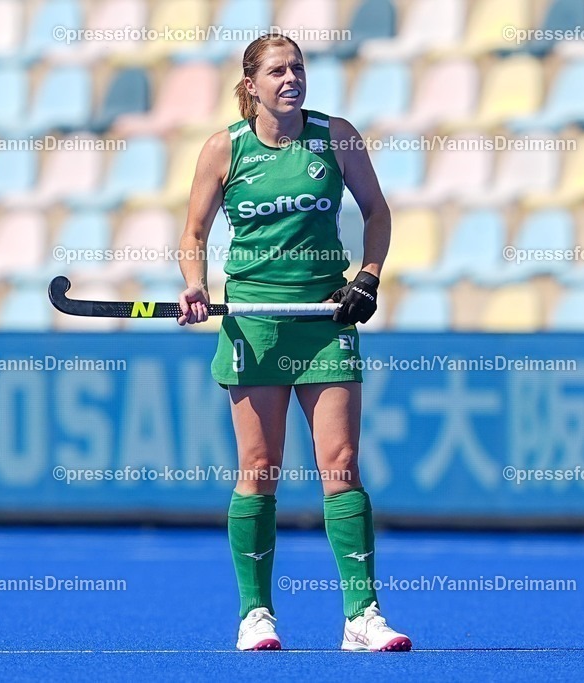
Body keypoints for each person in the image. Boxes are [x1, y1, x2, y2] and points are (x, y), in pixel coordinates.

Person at [175, 33, 411, 653]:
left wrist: (367, 277)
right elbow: (194, 232)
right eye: (277, 70)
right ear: (251, 84)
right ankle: (256, 615)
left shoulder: (335, 136)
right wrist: (195, 285)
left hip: (323, 322)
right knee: (259, 470)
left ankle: (362, 615)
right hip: (254, 324)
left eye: (298, 68)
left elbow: (378, 213)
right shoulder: (224, 148)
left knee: (342, 466)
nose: (291, 78)